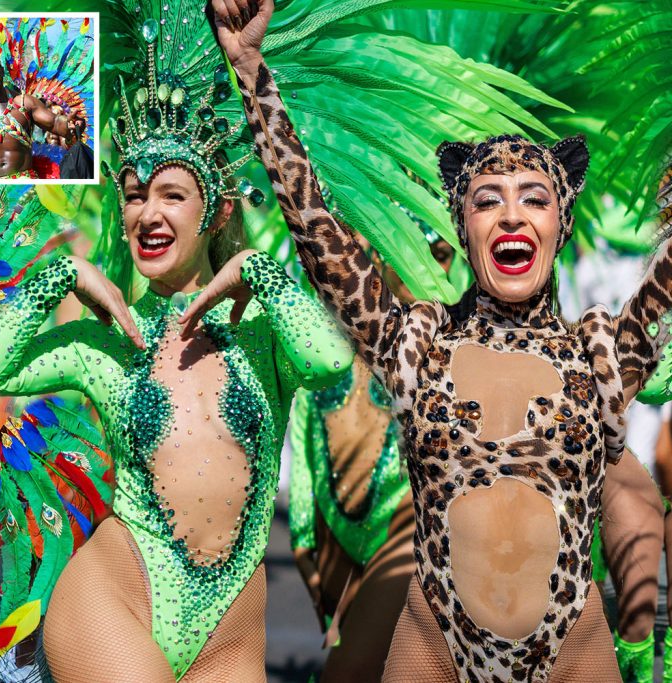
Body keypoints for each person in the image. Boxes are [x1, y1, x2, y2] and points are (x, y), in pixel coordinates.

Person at [216, 1, 672, 679]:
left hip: (571, 657)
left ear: (562, 223)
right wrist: (252, 73)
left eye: (534, 198)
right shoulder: (417, 350)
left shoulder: (600, 359)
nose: (511, 214)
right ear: (463, 226)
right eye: (488, 200)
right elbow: (317, 232)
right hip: (434, 653)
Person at [0, 9, 354, 680]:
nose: (149, 213)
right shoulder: (106, 342)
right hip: (117, 594)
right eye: (136, 196)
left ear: (217, 213)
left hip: (230, 630)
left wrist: (259, 270)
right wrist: (59, 276)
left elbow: (330, 359)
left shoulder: (263, 334)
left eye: (173, 194)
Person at [289, 232, 454, 682]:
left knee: (352, 670)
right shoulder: (330, 334)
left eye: (441, 256)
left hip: (403, 526)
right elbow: (305, 416)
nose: (427, 269)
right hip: (332, 527)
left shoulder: (450, 342)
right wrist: (302, 535)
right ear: (381, 252)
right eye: (412, 250)